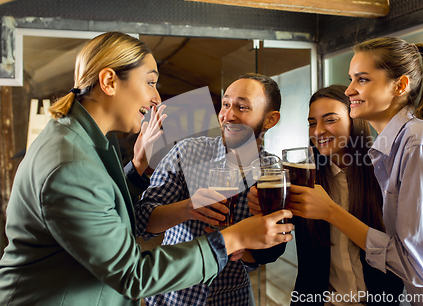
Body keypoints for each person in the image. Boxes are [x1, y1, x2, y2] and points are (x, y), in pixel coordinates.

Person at [0, 32, 293, 306]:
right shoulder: (72, 163)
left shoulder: (88, 143)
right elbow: (133, 272)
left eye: (241, 107)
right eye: (150, 82)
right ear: (109, 82)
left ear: (270, 119)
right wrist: (231, 236)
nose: (157, 99)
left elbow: (107, 211)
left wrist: (138, 166)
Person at [295, 37, 423, 305]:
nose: (348, 90)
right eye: (350, 79)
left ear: (400, 85)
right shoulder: (393, 150)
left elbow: (415, 267)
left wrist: (331, 212)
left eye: (362, 79)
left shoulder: (420, 143)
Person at [134, 73, 285, 306]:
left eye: (242, 107)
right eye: (225, 104)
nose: (228, 115)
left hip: (233, 297)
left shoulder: (272, 172)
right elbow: (142, 223)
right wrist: (187, 208)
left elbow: (275, 247)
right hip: (173, 296)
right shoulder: (186, 153)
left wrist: (246, 240)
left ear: (270, 119)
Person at [248, 84, 404, 305]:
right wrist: (265, 215)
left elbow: (404, 258)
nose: (318, 131)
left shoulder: (384, 175)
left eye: (330, 120)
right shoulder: (301, 177)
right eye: (312, 123)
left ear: (355, 121)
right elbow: (269, 253)